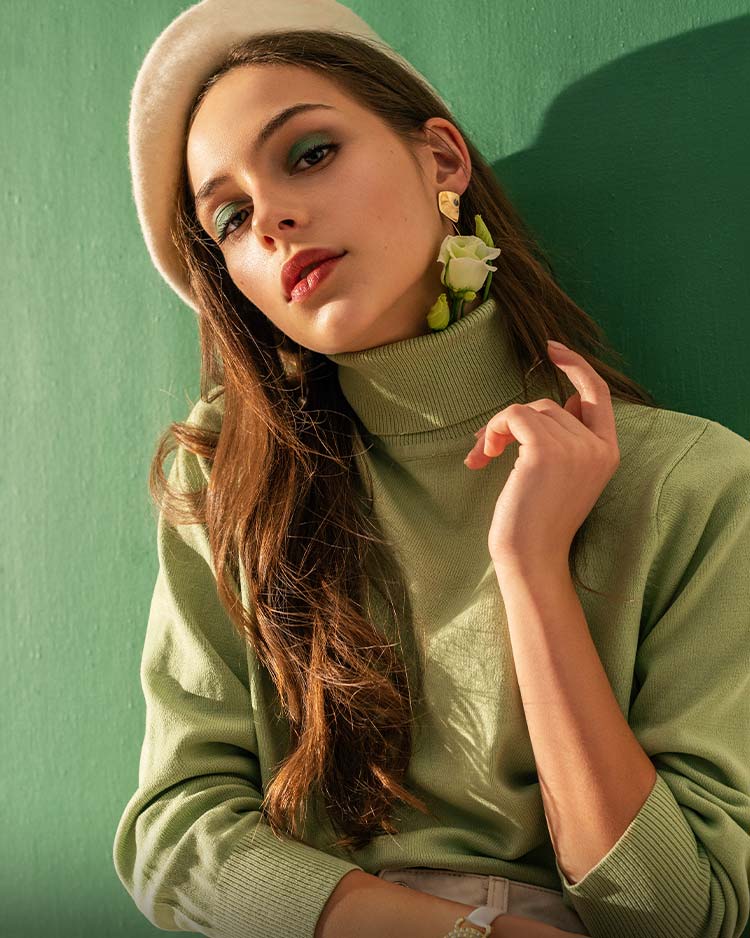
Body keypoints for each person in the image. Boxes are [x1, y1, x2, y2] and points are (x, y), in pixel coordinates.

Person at [113, 3, 750, 937]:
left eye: (309, 152)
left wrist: (532, 566)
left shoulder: (691, 482)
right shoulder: (231, 480)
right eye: (232, 217)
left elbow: (683, 917)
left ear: (442, 160)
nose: (276, 218)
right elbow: (175, 835)